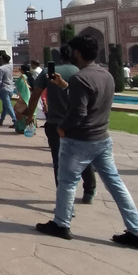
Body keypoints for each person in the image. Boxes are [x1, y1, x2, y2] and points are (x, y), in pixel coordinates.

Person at [36, 35, 138, 251]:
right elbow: (88, 98)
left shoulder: (81, 78)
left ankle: (61, 223)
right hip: (102, 138)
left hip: (79, 139)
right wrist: (64, 85)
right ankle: (137, 231)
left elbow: (79, 111)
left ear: (78, 53)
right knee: (116, 184)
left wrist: (63, 127)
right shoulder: (105, 74)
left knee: (68, 182)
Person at [24, 44, 96, 204]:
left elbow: (35, 96)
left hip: (56, 122)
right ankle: (90, 190)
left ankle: (65, 200)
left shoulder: (48, 72)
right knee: (83, 158)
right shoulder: (81, 72)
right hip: (79, 122)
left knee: (59, 163)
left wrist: (30, 116)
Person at [0, 54, 16, 127]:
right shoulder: (10, 66)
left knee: (8, 105)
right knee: (5, 105)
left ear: (3, 60)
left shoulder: (1, 69)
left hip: (4, 88)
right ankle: (1, 120)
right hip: (11, 87)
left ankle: (15, 120)